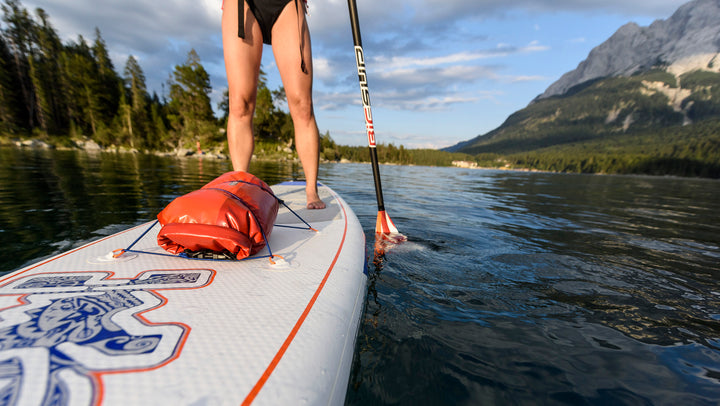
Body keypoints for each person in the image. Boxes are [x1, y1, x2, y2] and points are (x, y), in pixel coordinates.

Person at [222, 0, 326, 209]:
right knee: (240, 103)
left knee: (302, 104)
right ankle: (240, 186)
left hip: (286, 3)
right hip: (243, 4)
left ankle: (311, 189)